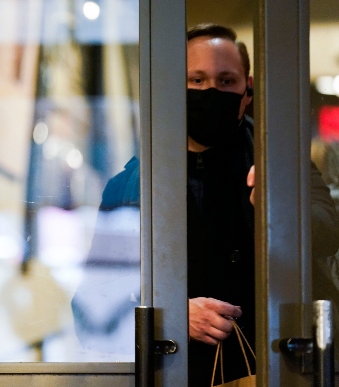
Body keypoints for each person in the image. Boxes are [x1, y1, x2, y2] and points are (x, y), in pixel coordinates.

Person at [72, 23, 339, 384]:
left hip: (280, 369)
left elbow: (327, 233)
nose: (211, 91)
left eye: (225, 81)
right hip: (178, 372)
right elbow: (93, 305)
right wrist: (171, 317)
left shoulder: (282, 162)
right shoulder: (131, 185)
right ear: (173, 88)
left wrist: (282, 213)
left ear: (248, 89)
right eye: (196, 80)